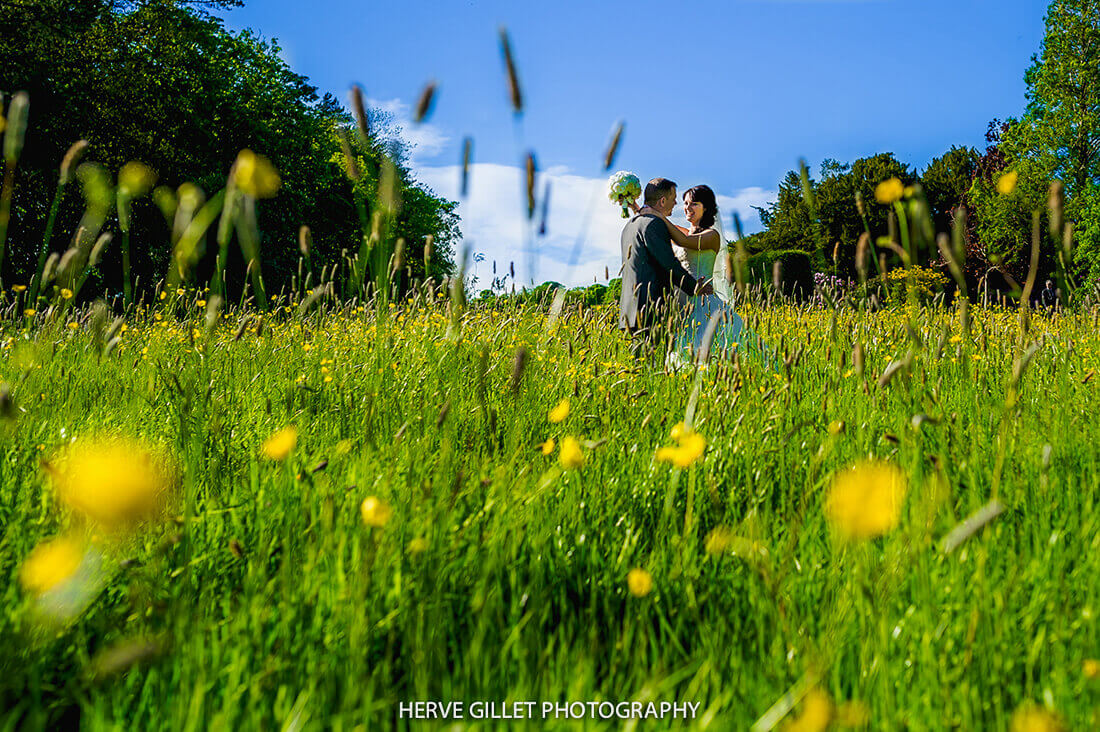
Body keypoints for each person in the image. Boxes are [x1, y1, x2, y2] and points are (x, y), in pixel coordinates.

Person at [636, 185, 773, 368]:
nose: (687, 208)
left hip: (703, 302)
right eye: (685, 203)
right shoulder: (683, 231)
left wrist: (659, 215)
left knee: (709, 351)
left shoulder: (712, 235)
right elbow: (655, 223)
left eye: (694, 204)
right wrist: (633, 205)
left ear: (706, 207)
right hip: (681, 305)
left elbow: (682, 241)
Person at [618, 178, 712, 355]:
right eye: (674, 198)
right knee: (653, 368)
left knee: (641, 371)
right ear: (662, 201)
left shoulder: (629, 226)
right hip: (651, 310)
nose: (676, 203)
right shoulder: (653, 224)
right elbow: (668, 263)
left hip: (631, 311)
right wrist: (694, 287)